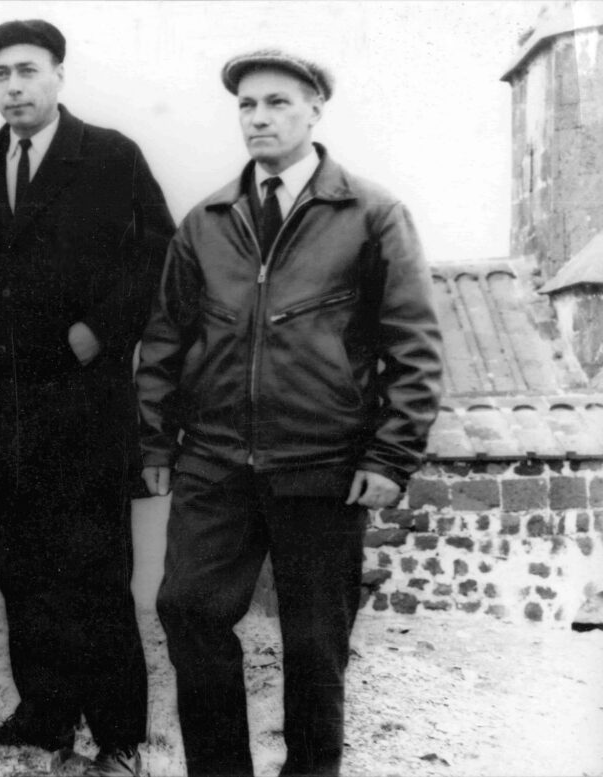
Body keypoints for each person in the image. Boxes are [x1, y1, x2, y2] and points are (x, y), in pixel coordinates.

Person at [136, 49, 443, 777]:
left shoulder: (371, 214)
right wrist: (155, 439)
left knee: (314, 639)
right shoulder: (207, 220)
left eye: (277, 102)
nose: (260, 117)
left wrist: (389, 455)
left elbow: (414, 345)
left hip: (322, 463)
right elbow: (166, 336)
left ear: (314, 111)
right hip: (214, 459)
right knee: (189, 609)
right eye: (247, 105)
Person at [0, 20, 174, 777]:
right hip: (1, 418)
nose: (13, 87)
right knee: (21, 571)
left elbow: (158, 254)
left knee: (94, 574)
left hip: (83, 412)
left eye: (27, 71)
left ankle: (118, 736)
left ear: (59, 75)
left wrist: (103, 330)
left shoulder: (109, 156)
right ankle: (42, 715)